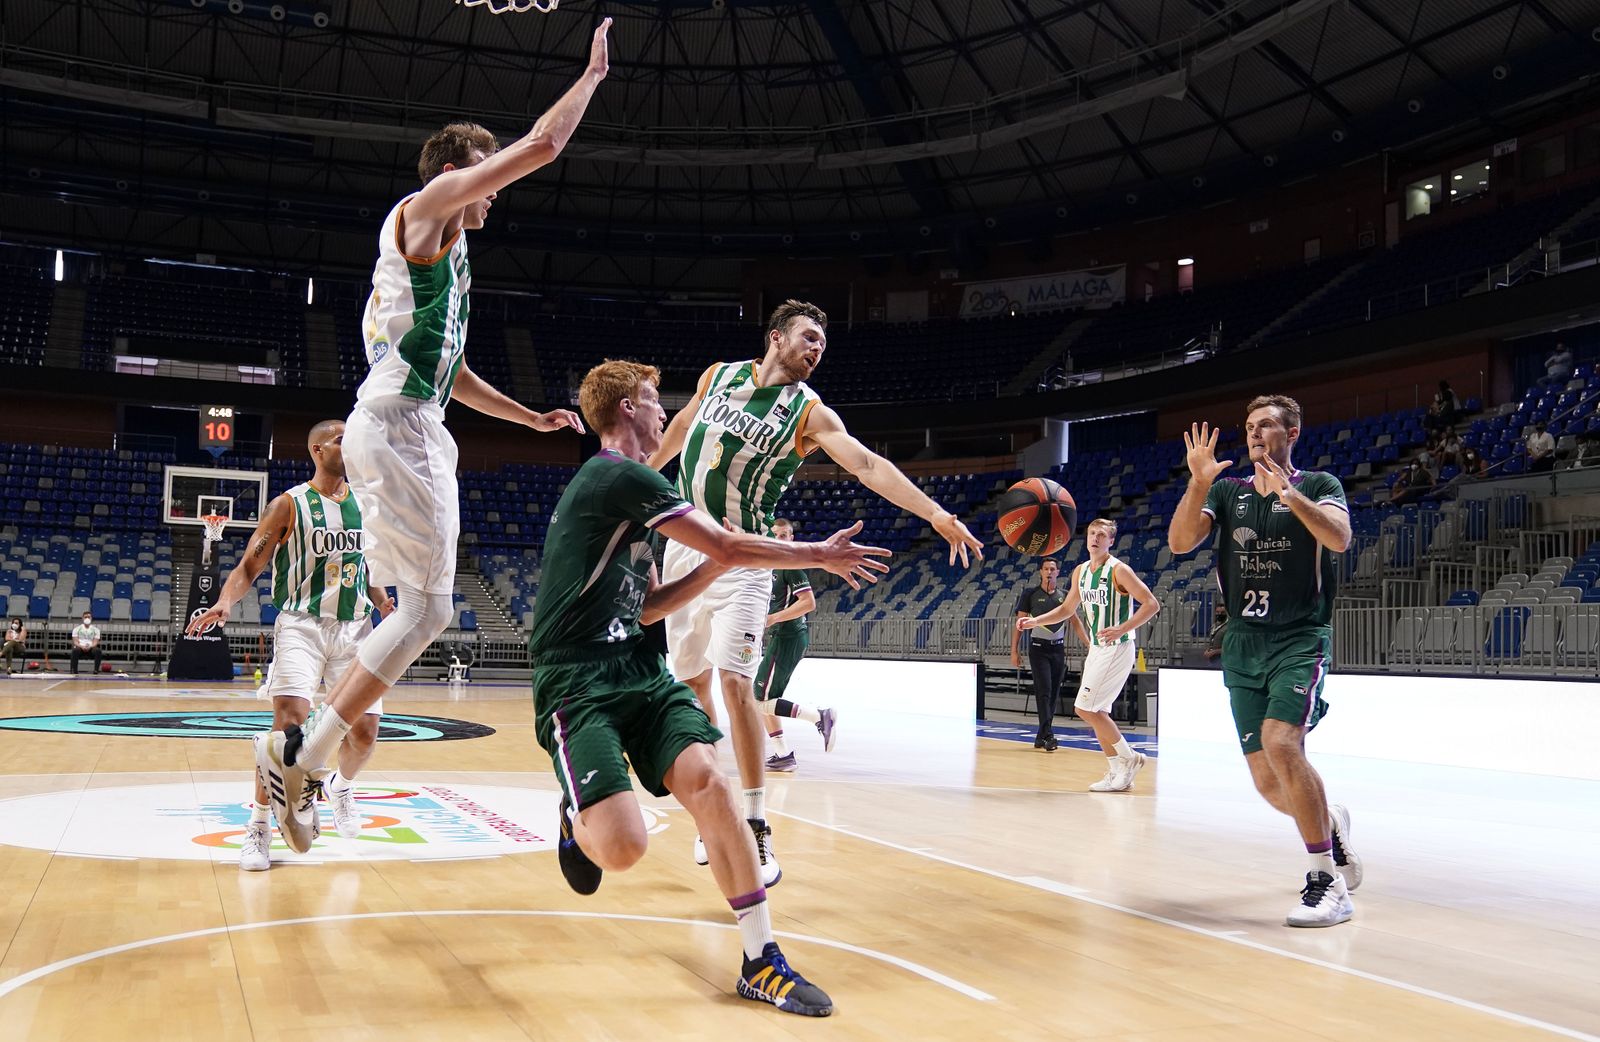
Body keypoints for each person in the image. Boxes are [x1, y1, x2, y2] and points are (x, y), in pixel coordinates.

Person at [253, 20, 610, 848]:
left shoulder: (443, 264)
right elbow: (543, 146)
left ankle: (310, 757)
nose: (493, 199)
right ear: (458, 173)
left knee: (421, 609)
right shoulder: (425, 210)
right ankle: (307, 755)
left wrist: (527, 415)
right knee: (431, 608)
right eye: (485, 184)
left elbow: (450, 372)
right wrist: (589, 77)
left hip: (405, 424)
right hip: (398, 430)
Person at [532, 359, 891, 1017]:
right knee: (623, 847)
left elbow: (644, 609)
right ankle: (575, 814)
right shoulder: (617, 475)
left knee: (710, 781)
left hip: (637, 669)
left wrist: (703, 577)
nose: (664, 410)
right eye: (651, 399)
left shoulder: (636, 492)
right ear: (627, 411)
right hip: (576, 679)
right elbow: (726, 545)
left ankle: (761, 959)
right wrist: (820, 554)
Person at [649, 299, 983, 884]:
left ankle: (754, 821)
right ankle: (712, 809)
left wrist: (935, 513)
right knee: (692, 682)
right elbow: (681, 428)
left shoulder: (809, 413)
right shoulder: (718, 375)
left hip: (747, 556)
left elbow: (869, 466)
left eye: (822, 344)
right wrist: (638, 478)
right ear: (776, 338)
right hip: (683, 544)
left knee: (736, 680)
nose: (816, 349)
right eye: (808, 337)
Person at [1168, 395, 1364, 928]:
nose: (1255, 433)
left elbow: (1340, 539)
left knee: (1283, 743)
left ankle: (1326, 881)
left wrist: (1288, 493)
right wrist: (1198, 482)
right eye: (1250, 426)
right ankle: (1331, 822)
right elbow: (1181, 541)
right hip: (1242, 644)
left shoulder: (1321, 485)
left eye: (1268, 425)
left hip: (1300, 638)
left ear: (1292, 432)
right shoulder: (1227, 494)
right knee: (1268, 782)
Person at [189, 420, 395, 870]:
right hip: (302, 625)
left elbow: (370, 566)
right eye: (342, 439)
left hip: (356, 627)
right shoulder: (289, 504)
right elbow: (249, 565)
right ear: (318, 450)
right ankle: (258, 828)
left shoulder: (368, 503)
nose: (352, 444)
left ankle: (340, 787)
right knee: (287, 731)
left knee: (364, 733)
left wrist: (382, 602)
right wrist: (225, 602)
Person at [1017, 519, 1161, 791]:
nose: (1095, 538)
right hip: (1097, 648)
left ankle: (1129, 758)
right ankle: (1117, 772)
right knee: (1098, 712)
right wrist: (1035, 621)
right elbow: (1067, 608)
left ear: (1111, 541)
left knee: (1084, 708)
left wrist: (1122, 628)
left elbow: (1151, 604)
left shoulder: (1120, 570)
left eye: (1102, 535)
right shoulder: (1080, 572)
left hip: (1117, 647)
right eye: (1092, 533)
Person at [755, 518, 834, 774]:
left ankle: (819, 716)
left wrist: (773, 618)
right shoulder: (771, 566)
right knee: (766, 697)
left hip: (788, 636)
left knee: (757, 700)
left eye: (786, 535)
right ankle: (782, 754)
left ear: (791, 538)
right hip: (782, 636)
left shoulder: (791, 566)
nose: (781, 538)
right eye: (776, 534)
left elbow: (809, 602)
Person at [1011, 557, 1067, 751]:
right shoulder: (1030, 594)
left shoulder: (1064, 595)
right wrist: (1014, 650)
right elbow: (1019, 624)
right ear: (1041, 572)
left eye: (1053, 568)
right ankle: (1049, 736)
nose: (1049, 572)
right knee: (1043, 691)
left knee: (1053, 693)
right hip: (1038, 648)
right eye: (1046, 569)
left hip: (1058, 648)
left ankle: (1040, 735)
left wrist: (1088, 642)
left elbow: (1074, 620)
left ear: (1058, 572)